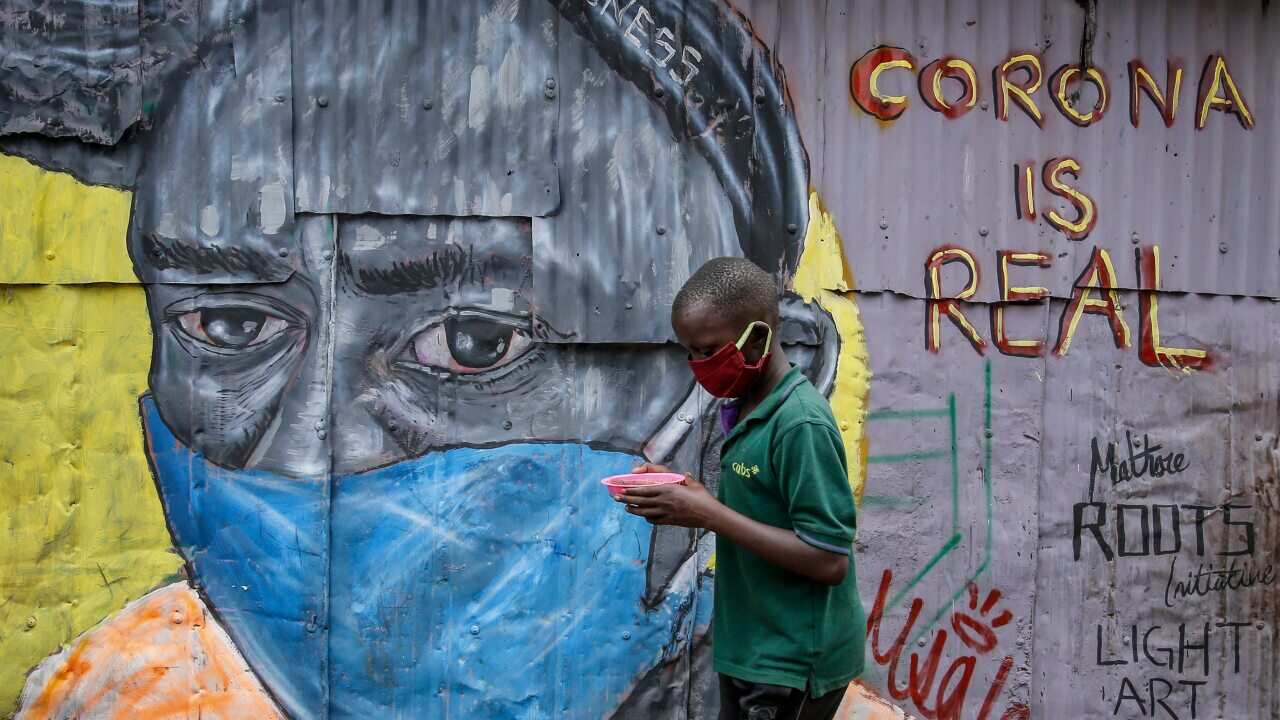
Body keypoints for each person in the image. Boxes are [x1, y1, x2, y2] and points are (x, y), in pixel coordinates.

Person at [619, 257, 865, 720]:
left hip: (789, 663)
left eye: (709, 350)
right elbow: (760, 515)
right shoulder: (750, 407)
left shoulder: (800, 422)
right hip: (753, 648)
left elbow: (829, 558)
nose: (698, 366)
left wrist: (707, 512)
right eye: (689, 352)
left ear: (758, 337)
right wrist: (683, 496)